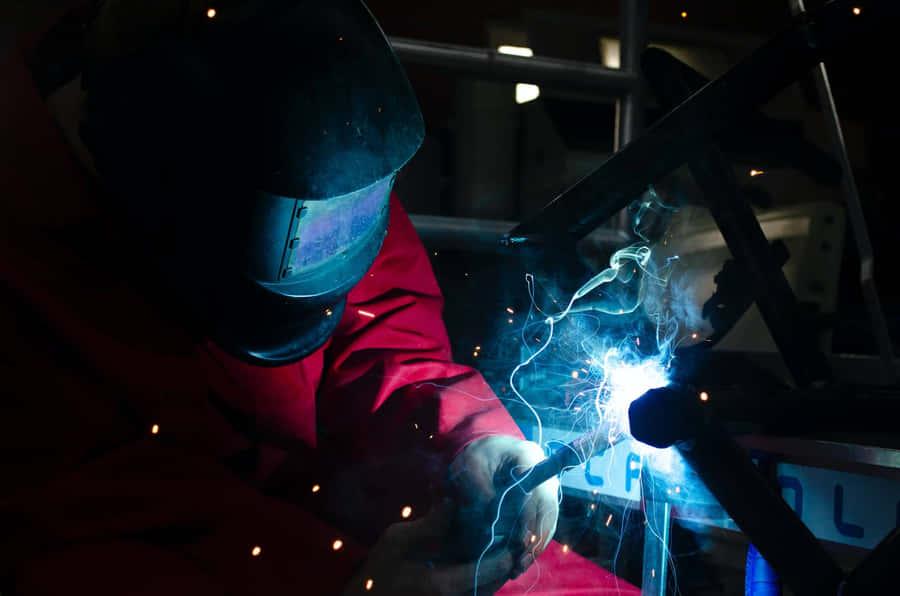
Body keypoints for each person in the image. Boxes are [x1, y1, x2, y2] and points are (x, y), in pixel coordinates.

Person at [1, 1, 640, 594]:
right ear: (173, 203)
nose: (330, 251)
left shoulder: (306, 148)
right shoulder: (30, 263)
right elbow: (80, 534)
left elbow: (386, 336)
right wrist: (339, 582)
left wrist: (464, 441)